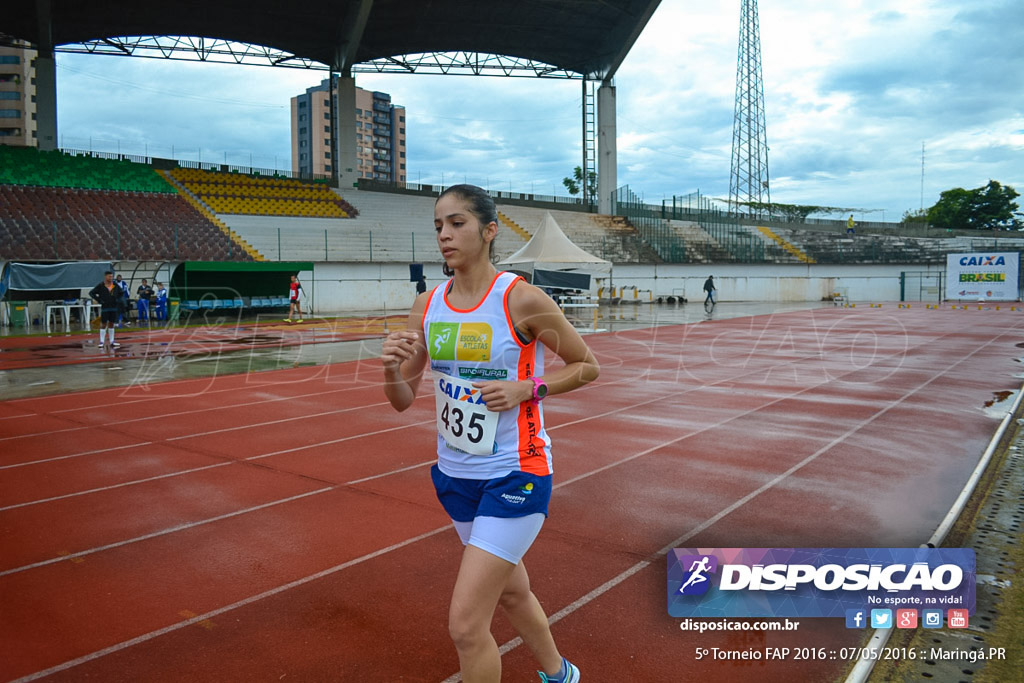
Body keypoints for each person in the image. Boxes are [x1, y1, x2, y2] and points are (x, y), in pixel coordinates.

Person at [381, 184, 598, 683]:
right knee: (512, 591)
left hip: (516, 472)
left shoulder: (521, 299)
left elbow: (587, 366)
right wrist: (390, 369)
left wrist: (530, 388)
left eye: (457, 223)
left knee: (465, 625)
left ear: (489, 230)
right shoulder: (427, 303)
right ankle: (561, 675)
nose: (445, 234)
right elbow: (402, 400)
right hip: (456, 477)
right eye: (438, 225)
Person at [88, 270, 124, 349]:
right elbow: (91, 293)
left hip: (113, 307)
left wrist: (117, 299)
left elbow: (121, 293)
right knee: (103, 324)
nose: (111, 278)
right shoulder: (101, 285)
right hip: (105, 307)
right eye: (109, 276)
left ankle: (112, 341)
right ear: (105, 276)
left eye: (112, 276)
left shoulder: (115, 285)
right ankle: (101, 341)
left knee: (111, 323)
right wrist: (99, 300)